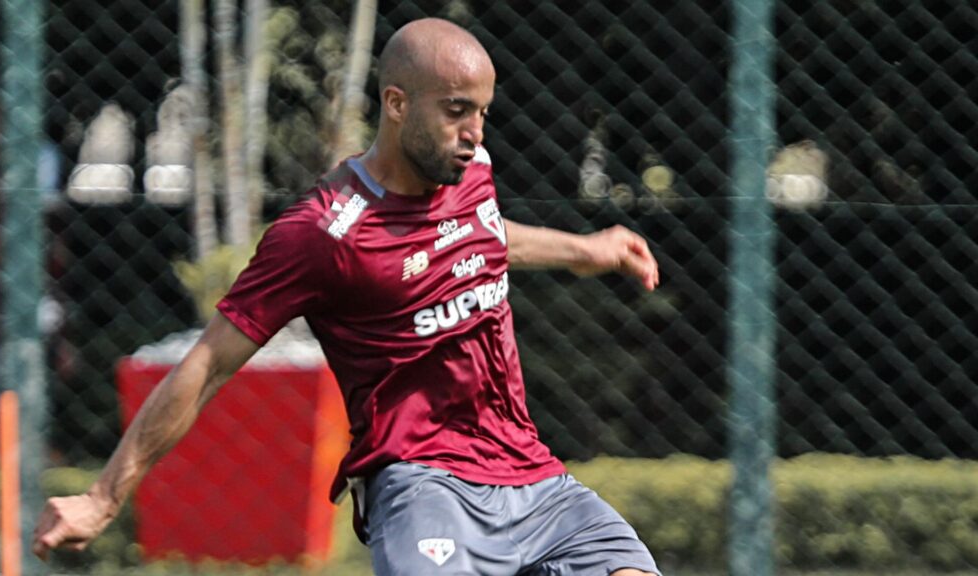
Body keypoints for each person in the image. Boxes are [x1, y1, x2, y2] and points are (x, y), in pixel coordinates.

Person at [33, 18, 662, 576]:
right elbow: (206, 364)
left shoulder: (470, 171)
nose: (473, 132)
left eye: (482, 112)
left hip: (533, 472)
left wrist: (584, 250)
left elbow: (485, 236)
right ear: (396, 103)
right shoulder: (320, 234)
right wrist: (102, 497)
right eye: (454, 111)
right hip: (425, 482)